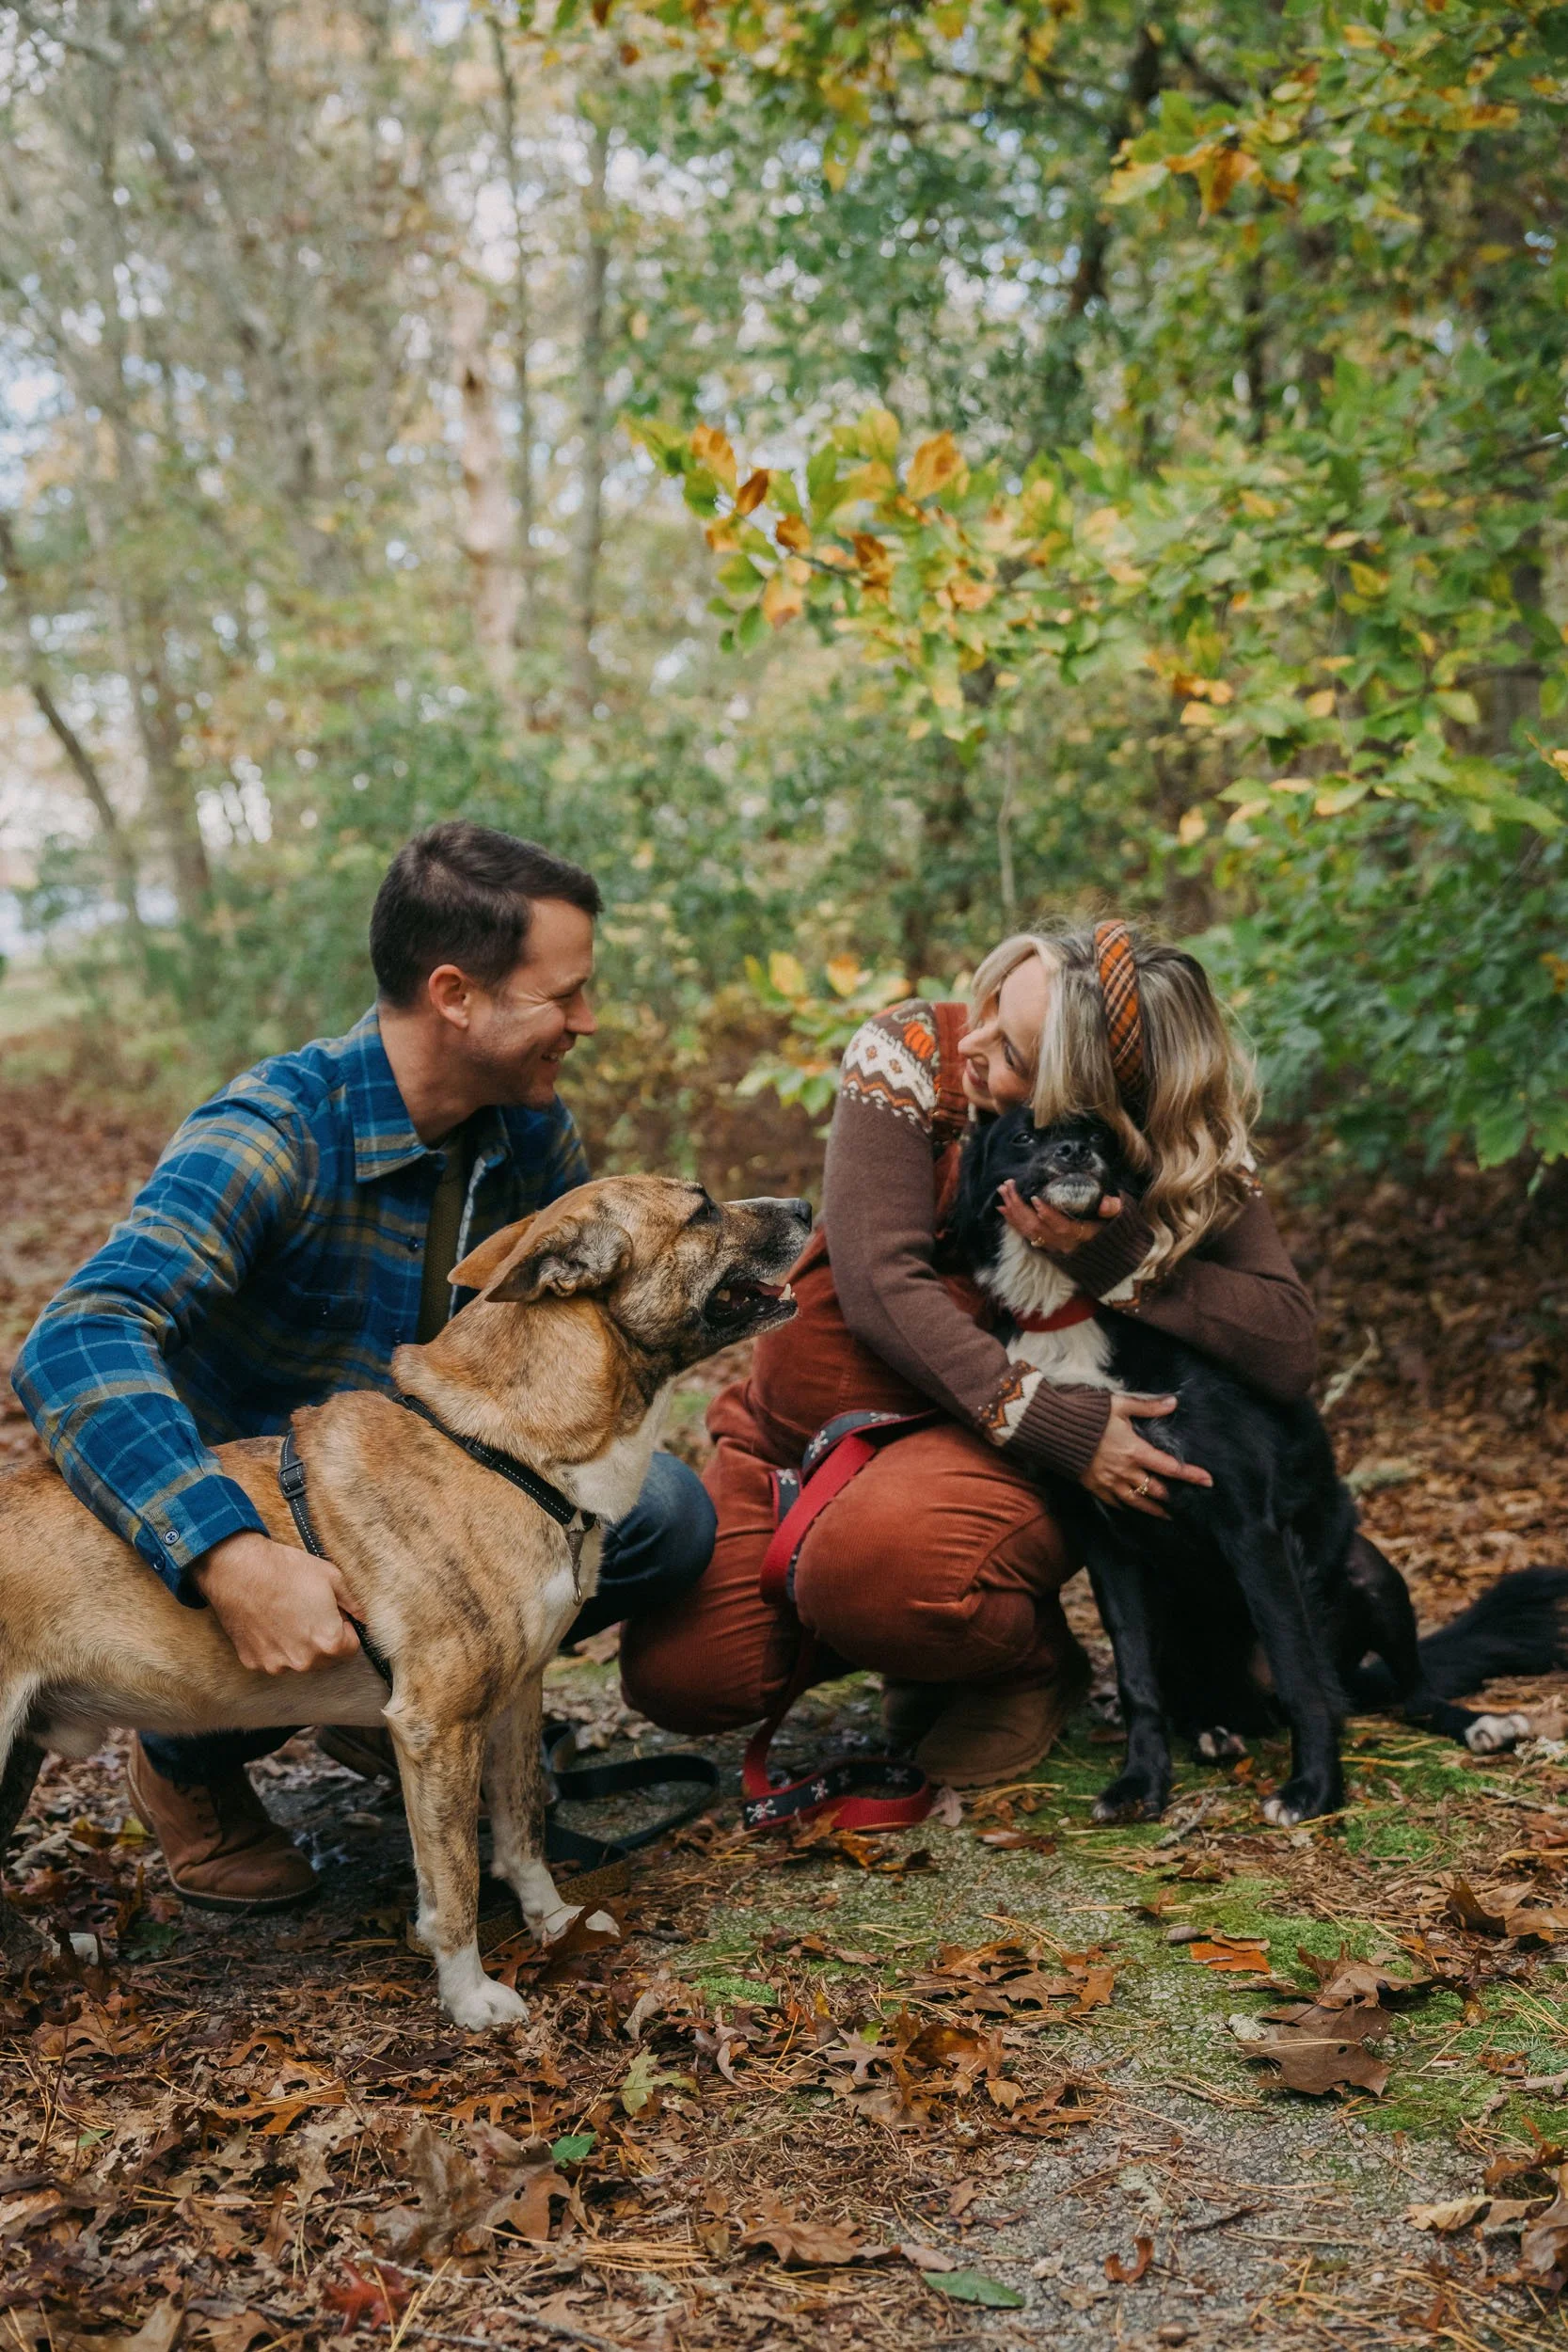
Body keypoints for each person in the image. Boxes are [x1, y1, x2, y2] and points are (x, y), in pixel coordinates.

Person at [13, 821, 716, 1908]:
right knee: (258, 1558)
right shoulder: (272, 1131)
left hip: (420, 1509)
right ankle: (189, 1768)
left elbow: (594, 1331)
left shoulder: (531, 1134)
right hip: (239, 1514)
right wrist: (225, 1553)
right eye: (562, 994)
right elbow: (75, 1340)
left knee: (663, 1515)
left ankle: (429, 1694)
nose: (583, 1020)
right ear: (455, 995)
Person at [621, 921, 1318, 1788]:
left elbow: (1288, 1344)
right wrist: (1048, 1417)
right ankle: (911, 1639)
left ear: (1099, 1104)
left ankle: (1014, 1665)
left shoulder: (1169, 1128)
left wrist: (1120, 1262)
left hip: (972, 1451)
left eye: (1016, 1050)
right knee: (686, 1676)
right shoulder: (912, 1050)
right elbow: (879, 1284)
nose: (975, 1042)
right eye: (990, 1000)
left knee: (876, 1571)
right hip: (810, 1440)